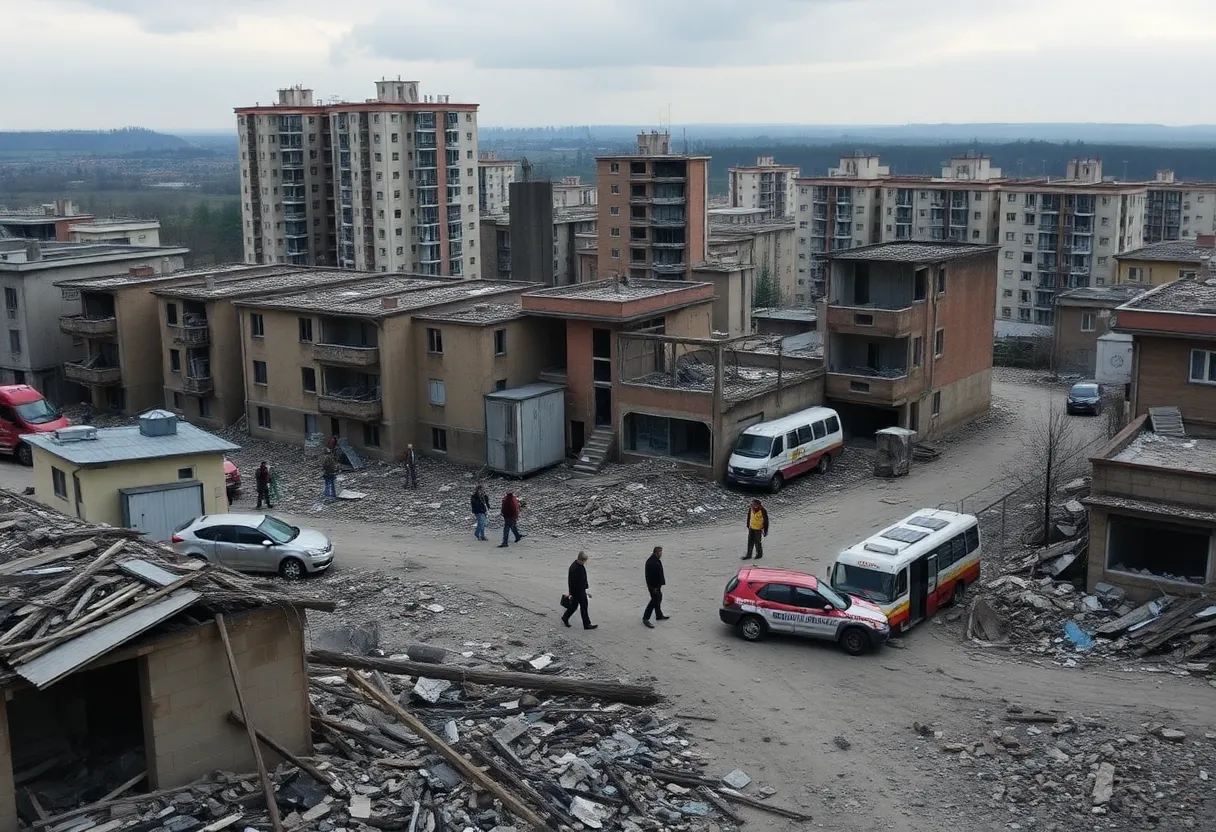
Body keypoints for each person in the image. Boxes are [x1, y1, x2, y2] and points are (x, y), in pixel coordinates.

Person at [562, 551, 597, 629]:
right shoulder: (575, 568)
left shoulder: (578, 565)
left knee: (574, 606)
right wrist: (577, 593)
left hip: (579, 591)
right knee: (583, 607)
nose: (585, 563)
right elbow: (573, 582)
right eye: (584, 561)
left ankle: (565, 617)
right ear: (580, 560)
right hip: (578, 592)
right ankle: (587, 624)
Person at [643, 545, 669, 628]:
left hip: (657, 585)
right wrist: (654, 587)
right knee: (654, 601)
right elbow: (651, 577)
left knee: (658, 598)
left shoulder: (655, 560)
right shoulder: (652, 562)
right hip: (653, 586)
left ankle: (659, 615)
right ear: (655, 552)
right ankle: (646, 618)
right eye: (660, 552)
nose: (661, 554)